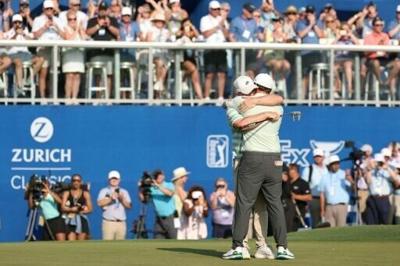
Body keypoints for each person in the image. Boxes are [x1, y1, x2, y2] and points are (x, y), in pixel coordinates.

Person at [223, 73, 294, 260]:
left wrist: (251, 102)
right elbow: (279, 98)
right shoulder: (278, 107)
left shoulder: (240, 103)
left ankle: (239, 247)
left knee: (244, 204)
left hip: (250, 158)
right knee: (274, 204)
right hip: (275, 160)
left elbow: (232, 107)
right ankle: (282, 248)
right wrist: (265, 112)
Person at [32, 0, 65, 100]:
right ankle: (43, 98)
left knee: (54, 74)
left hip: (55, 50)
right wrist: (44, 27)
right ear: (43, 9)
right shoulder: (38, 19)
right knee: (43, 74)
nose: (49, 11)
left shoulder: (58, 20)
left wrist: (56, 27)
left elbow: (64, 35)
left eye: (51, 9)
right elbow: (35, 35)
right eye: (47, 9)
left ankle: (53, 97)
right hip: (43, 49)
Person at [86, 1, 120, 99]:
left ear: (107, 10)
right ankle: (97, 98)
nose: (103, 12)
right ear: (98, 10)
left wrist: (109, 26)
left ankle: (107, 97)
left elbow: (118, 33)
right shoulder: (92, 20)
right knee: (98, 76)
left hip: (109, 53)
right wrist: (98, 25)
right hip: (96, 53)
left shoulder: (113, 20)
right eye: (101, 10)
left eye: (104, 10)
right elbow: (87, 32)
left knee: (109, 75)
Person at [4, 14, 44, 96]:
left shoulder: (25, 31)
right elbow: (7, 47)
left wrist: (23, 34)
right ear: (12, 23)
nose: (17, 24)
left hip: (25, 54)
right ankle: (19, 88)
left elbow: (33, 41)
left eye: (19, 22)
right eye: (15, 22)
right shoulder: (8, 33)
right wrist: (15, 35)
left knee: (40, 59)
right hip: (13, 55)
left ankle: (28, 81)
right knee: (18, 62)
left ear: (22, 23)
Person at [200, 0, 229, 105]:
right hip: (210, 49)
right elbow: (205, 34)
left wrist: (223, 25)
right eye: (214, 9)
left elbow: (226, 35)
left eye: (218, 9)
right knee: (209, 74)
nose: (216, 11)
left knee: (222, 74)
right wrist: (218, 26)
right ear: (210, 9)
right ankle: (206, 96)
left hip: (221, 49)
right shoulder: (204, 19)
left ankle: (220, 97)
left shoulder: (223, 20)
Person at [364, 16, 400, 100]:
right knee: (376, 63)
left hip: (384, 59)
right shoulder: (368, 37)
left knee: (398, 64)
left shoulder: (385, 36)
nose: (379, 27)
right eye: (377, 25)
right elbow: (365, 52)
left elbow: (387, 50)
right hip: (372, 59)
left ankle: (386, 83)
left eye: (381, 25)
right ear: (373, 26)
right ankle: (380, 82)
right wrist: (377, 47)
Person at [319, 155, 353, 227]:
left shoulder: (344, 174)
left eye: (337, 163)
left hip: (341, 206)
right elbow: (322, 194)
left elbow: (353, 188)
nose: (336, 166)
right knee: (329, 229)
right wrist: (322, 210)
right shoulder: (324, 177)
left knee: (341, 228)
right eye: (334, 164)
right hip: (329, 207)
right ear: (330, 165)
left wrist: (350, 179)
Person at [97, 170, 132, 240]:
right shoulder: (104, 191)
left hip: (121, 223)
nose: (114, 180)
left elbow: (129, 206)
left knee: (120, 247)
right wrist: (111, 199)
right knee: (107, 246)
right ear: (109, 180)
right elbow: (99, 203)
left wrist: (122, 199)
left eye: (116, 179)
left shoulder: (124, 191)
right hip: (109, 222)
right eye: (112, 179)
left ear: (119, 180)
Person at [142, 169, 177, 239]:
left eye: (161, 175)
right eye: (157, 176)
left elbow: (170, 193)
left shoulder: (169, 185)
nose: (160, 177)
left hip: (171, 217)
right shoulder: (151, 188)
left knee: (174, 238)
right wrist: (141, 188)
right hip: (159, 218)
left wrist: (157, 185)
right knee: (157, 240)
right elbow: (144, 200)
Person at [364, 154, 398, 224]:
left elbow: (395, 178)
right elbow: (368, 181)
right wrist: (369, 169)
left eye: (380, 162)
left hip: (384, 199)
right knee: (372, 222)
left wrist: (387, 167)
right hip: (373, 198)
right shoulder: (371, 172)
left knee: (385, 221)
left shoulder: (386, 172)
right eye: (377, 162)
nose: (378, 164)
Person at [62, 9, 87, 104]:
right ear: (67, 20)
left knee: (77, 76)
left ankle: (74, 98)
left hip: (78, 54)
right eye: (70, 19)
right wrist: (76, 30)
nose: (72, 21)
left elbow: (85, 38)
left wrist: (80, 29)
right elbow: (69, 39)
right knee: (69, 76)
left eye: (74, 19)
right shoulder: (65, 28)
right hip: (69, 55)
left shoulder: (79, 29)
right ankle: (68, 98)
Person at [229, 3, 259, 78]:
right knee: (240, 74)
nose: (251, 13)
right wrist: (236, 45)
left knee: (251, 72)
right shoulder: (235, 21)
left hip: (251, 52)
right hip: (239, 52)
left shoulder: (253, 22)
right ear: (244, 10)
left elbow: (256, 35)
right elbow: (231, 36)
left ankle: (251, 89)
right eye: (250, 11)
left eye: (252, 11)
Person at [301, 148, 329, 228]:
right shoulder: (308, 169)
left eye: (319, 156)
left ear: (323, 157)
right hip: (314, 199)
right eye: (316, 156)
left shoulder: (327, 168)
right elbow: (304, 185)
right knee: (316, 221)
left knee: (328, 221)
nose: (317, 158)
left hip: (327, 199)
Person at [62, 174, 92, 240]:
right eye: (74, 180)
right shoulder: (67, 193)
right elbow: (63, 207)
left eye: (78, 181)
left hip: (82, 219)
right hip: (70, 219)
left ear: (81, 182)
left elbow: (90, 209)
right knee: (71, 243)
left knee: (81, 244)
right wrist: (71, 209)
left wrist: (80, 211)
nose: (76, 182)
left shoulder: (85, 193)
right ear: (71, 182)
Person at [287, 163, 312, 231]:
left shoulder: (303, 183)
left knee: (294, 228)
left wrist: (295, 196)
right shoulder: (287, 183)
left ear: (295, 171)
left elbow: (309, 197)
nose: (287, 172)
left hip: (298, 210)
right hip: (287, 210)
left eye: (289, 170)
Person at [172, 166, 189, 240]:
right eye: (185, 176)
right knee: (178, 237)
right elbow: (185, 200)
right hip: (177, 217)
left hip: (177, 216)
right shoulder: (178, 189)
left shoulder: (175, 188)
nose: (187, 178)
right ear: (180, 178)